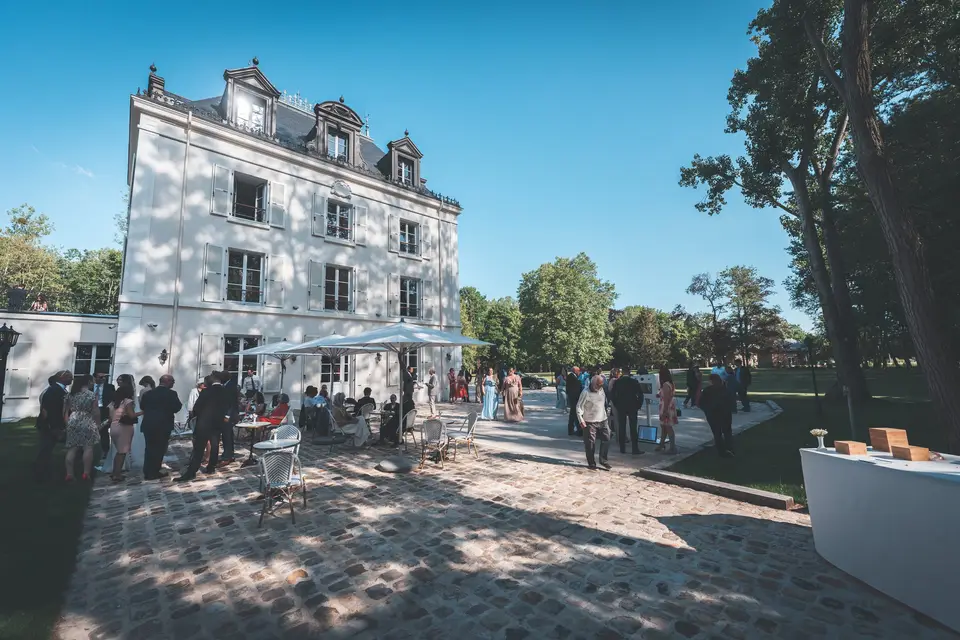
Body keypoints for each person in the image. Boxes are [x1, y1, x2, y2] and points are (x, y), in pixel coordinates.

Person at [175, 371, 233, 481]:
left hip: (204, 423)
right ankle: (211, 467)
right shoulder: (225, 391)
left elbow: (196, 408)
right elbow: (228, 407)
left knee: (199, 448)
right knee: (215, 445)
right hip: (217, 422)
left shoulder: (206, 392)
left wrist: (199, 415)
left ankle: (192, 472)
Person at [140, 374, 182, 480]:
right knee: (159, 449)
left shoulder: (148, 394)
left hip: (149, 424)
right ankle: (154, 471)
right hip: (163, 424)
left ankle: (148, 471)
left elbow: (142, 406)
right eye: (172, 381)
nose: (173, 383)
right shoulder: (171, 394)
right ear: (167, 381)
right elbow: (177, 407)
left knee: (149, 448)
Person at [62, 375, 100, 482]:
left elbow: (65, 411)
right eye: (92, 381)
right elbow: (96, 411)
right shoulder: (91, 395)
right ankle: (86, 473)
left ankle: (69, 473)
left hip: (73, 419)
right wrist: (97, 423)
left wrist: (67, 422)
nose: (93, 383)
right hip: (86, 419)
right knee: (88, 447)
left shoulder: (70, 395)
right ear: (88, 382)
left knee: (72, 448)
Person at [34, 372, 70, 482]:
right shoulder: (55, 390)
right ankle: (41, 473)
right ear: (62, 378)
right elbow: (51, 409)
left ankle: (43, 471)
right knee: (46, 448)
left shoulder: (58, 389)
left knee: (47, 448)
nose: (72, 379)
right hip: (50, 425)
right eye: (69, 377)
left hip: (52, 424)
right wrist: (54, 426)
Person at [576, 375, 611, 470]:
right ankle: (591, 463)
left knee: (607, 438)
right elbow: (579, 406)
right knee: (590, 443)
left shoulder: (602, 390)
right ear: (593, 383)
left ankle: (603, 460)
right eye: (598, 385)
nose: (600, 387)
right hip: (590, 421)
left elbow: (604, 403)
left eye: (601, 385)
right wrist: (581, 420)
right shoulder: (585, 392)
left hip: (603, 419)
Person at [106, 384, 139, 481]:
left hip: (113, 427)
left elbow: (110, 418)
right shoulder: (127, 402)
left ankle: (115, 472)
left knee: (118, 452)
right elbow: (131, 415)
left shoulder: (112, 403)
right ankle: (117, 475)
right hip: (124, 428)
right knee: (122, 452)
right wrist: (142, 412)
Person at [700, 374, 734, 457]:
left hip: (713, 415)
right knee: (727, 432)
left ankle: (721, 451)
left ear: (711, 381)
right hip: (725, 414)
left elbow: (701, 403)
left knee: (717, 433)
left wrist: (707, 411)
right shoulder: (725, 389)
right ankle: (729, 448)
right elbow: (731, 401)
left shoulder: (707, 391)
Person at [612, 368, 644, 455]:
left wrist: (617, 405)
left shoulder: (617, 382)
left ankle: (622, 448)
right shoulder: (634, 382)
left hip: (621, 406)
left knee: (622, 427)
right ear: (629, 373)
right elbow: (640, 394)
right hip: (632, 406)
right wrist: (638, 405)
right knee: (633, 427)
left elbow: (613, 395)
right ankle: (635, 448)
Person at [92, 372, 116, 458]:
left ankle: (105, 451)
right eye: (101, 377)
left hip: (104, 410)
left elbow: (113, 399)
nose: (103, 379)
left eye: (104, 377)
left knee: (104, 431)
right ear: (95, 378)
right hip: (91, 410)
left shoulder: (110, 387)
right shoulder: (90, 387)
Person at [656, 366, 678, 454]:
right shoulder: (671, 384)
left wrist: (665, 411)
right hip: (670, 406)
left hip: (666, 407)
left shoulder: (665, 385)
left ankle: (673, 448)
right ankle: (662, 444)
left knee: (668, 427)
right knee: (664, 427)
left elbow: (666, 398)